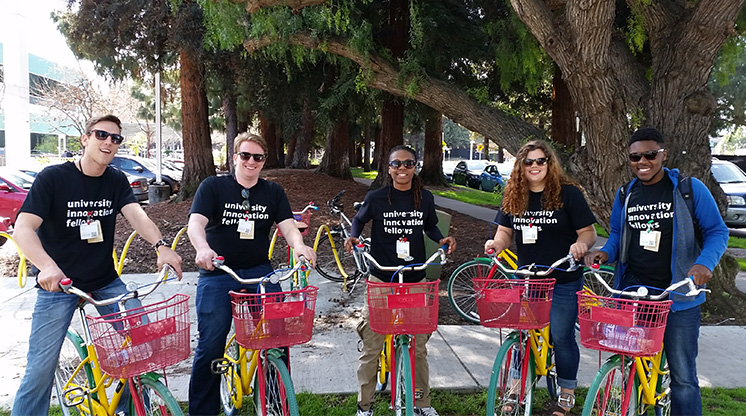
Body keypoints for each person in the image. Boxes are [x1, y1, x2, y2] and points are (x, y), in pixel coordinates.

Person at [11, 114, 183, 416]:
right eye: (102, 135)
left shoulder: (115, 179)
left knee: (142, 347)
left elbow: (137, 215)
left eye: (116, 138)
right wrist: (47, 267)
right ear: (85, 138)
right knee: (40, 370)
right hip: (59, 285)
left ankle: (125, 409)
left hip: (104, 281)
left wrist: (161, 246)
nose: (108, 142)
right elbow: (23, 228)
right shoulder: (53, 178)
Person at [585, 127, 728, 416]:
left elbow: (717, 231)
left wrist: (704, 264)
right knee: (629, 363)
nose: (643, 161)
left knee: (683, 376)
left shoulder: (688, 189)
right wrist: (605, 252)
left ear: (663, 154)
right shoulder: (626, 193)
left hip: (678, 297)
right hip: (634, 293)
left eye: (650, 154)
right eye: (635, 156)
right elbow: (616, 234)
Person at [187, 132, 317, 416]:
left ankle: (273, 402)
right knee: (211, 343)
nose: (251, 162)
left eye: (258, 157)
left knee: (277, 337)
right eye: (245, 155)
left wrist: (299, 246)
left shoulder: (272, 192)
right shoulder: (213, 186)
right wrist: (202, 248)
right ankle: (202, 412)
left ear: (263, 161)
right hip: (219, 271)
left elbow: (288, 226)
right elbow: (195, 223)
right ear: (234, 157)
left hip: (260, 271)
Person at [484, 140, 597, 416]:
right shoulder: (515, 195)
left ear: (549, 163)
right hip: (529, 278)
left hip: (563, 278)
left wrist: (581, 244)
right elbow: (505, 232)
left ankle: (566, 392)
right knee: (523, 335)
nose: (534, 166)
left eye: (540, 161)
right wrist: (496, 244)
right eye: (528, 162)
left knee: (561, 336)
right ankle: (514, 390)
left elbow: (588, 232)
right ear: (520, 166)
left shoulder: (568, 194)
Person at [345, 145, 456, 416]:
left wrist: (440, 238)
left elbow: (429, 225)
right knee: (372, 346)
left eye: (408, 163)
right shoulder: (377, 197)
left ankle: (422, 403)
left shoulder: (424, 198)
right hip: (382, 277)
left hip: (416, 278)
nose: (402, 169)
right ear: (389, 168)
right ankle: (365, 406)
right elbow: (359, 220)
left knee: (418, 348)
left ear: (415, 167)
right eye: (397, 164)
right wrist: (353, 236)